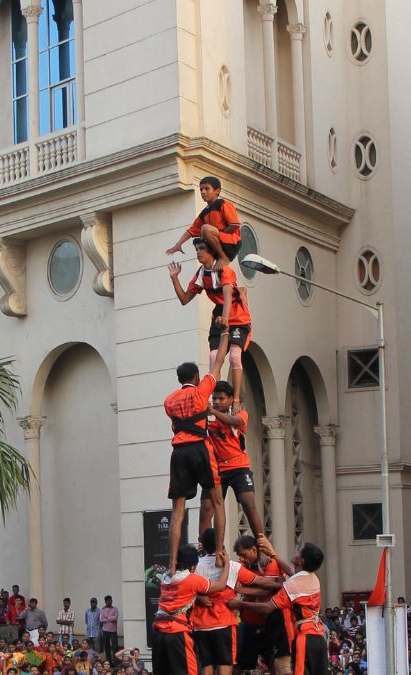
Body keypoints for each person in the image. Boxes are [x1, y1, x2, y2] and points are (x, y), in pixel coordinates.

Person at [162, 338, 230, 573]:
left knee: (177, 511)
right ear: (195, 377)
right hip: (200, 448)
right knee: (218, 502)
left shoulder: (169, 401)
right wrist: (225, 335)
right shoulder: (202, 391)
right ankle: (219, 553)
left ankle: (171, 564)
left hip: (178, 452)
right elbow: (219, 362)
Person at [168, 239, 252, 409]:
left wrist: (226, 319)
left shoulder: (224, 270)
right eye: (197, 249)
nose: (198, 252)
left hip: (238, 316)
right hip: (219, 315)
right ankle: (216, 397)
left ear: (212, 252)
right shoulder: (201, 274)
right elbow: (185, 299)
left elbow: (228, 296)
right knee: (213, 358)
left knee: (235, 356)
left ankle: (236, 400)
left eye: (202, 249)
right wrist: (174, 278)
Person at [190, 529, 282, 675]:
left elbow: (185, 593)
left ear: (204, 546)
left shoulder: (194, 567)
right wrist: (283, 586)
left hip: (201, 626)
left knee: (206, 668)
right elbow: (262, 582)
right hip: (224, 623)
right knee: (225, 668)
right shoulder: (232, 566)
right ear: (221, 543)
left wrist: (199, 598)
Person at [229, 543, 329, 675]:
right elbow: (291, 571)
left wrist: (240, 604)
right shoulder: (312, 578)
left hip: (304, 637)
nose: (296, 552)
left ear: (301, 560)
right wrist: (273, 554)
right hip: (319, 637)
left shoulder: (293, 584)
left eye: (299, 551)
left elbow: (267, 608)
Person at [200, 381, 267, 547]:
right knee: (206, 510)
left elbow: (234, 422)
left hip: (239, 467)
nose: (216, 401)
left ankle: (262, 545)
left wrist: (213, 411)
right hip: (216, 469)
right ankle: (206, 549)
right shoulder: (208, 418)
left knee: (248, 504)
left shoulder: (240, 414)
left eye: (221, 399)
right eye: (214, 398)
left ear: (231, 399)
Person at [152, 544, 234, 675]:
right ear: (193, 566)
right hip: (178, 634)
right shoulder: (192, 580)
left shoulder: (166, 577)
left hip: (158, 634)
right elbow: (220, 586)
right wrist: (227, 564)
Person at [233, 534, 287, 675]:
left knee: (273, 662)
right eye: (239, 555)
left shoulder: (270, 563)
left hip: (268, 623)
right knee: (239, 664)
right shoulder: (242, 565)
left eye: (244, 554)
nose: (242, 559)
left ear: (253, 550)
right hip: (249, 622)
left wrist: (242, 589)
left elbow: (267, 591)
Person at [166, 176, 242, 270]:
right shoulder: (205, 212)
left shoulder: (223, 203)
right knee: (201, 241)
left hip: (232, 242)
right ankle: (209, 269)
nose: (203, 192)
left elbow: (234, 225)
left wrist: (220, 237)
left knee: (205, 229)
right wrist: (178, 244)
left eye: (206, 188)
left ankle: (223, 257)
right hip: (220, 241)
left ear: (217, 191)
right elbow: (192, 230)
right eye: (201, 189)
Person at [98, 598, 119, 665]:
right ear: (105, 601)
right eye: (107, 600)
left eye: (110, 600)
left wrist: (107, 618)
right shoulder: (102, 609)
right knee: (107, 648)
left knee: (115, 647)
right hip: (105, 631)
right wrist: (111, 618)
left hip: (113, 631)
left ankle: (116, 663)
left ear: (112, 601)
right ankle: (109, 663)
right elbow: (101, 619)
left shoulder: (115, 609)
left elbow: (115, 617)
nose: (109, 602)